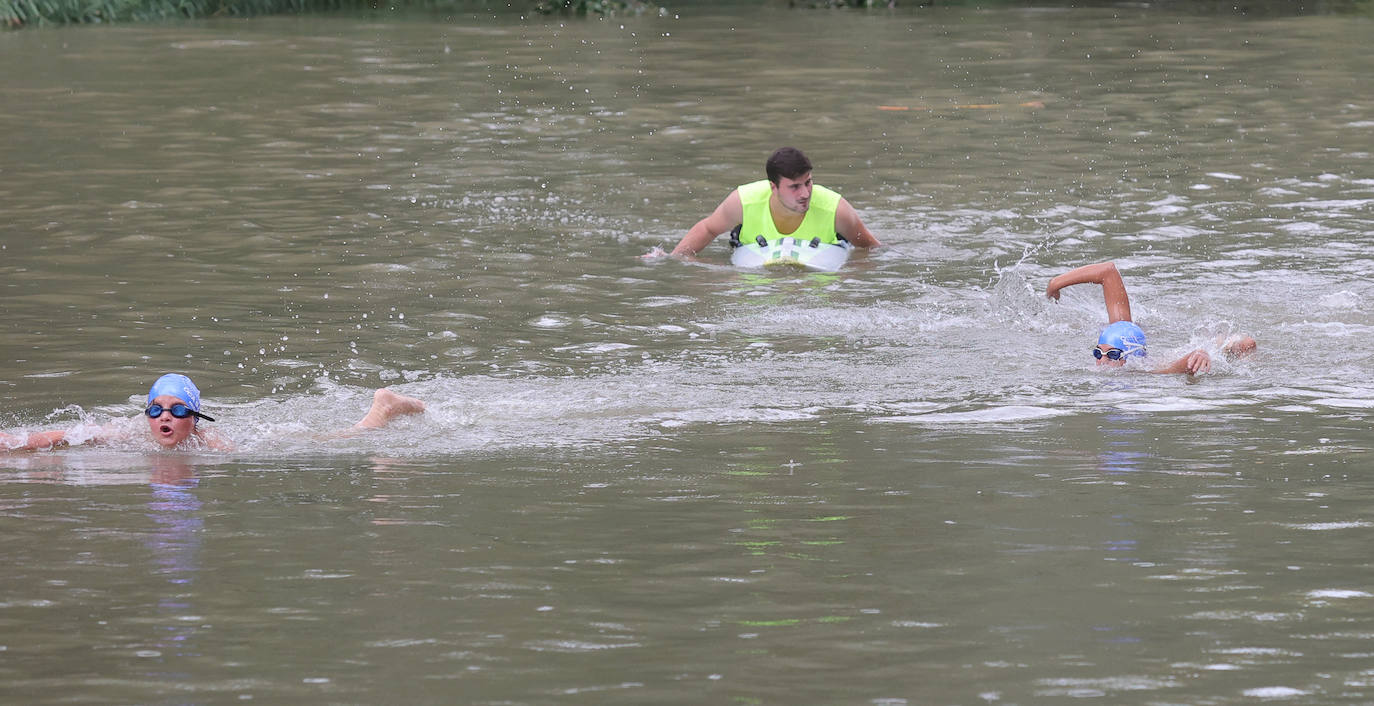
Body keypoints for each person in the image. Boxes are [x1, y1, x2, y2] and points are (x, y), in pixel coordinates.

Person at [0, 373, 426, 452]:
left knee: (338, 441)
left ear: (195, 418)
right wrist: (11, 444)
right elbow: (58, 436)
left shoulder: (212, 444)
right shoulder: (126, 433)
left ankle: (382, 407)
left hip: (266, 441)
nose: (165, 418)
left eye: (178, 409)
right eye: (156, 410)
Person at [650, 147, 883, 258]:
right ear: (773, 186)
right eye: (794, 186)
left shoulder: (836, 209)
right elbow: (708, 228)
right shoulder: (743, 201)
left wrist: (849, 277)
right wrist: (671, 259)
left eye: (808, 183)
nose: (805, 193)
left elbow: (872, 248)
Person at [1046, 261, 1257, 375]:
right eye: (1097, 353)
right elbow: (1107, 271)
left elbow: (1177, 367)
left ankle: (1225, 343)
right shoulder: (1119, 332)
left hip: (1163, 352)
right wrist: (1055, 284)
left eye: (1112, 356)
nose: (1101, 362)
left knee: (1240, 343)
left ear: (1130, 357)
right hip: (1135, 332)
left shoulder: (1144, 370)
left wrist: (1200, 354)